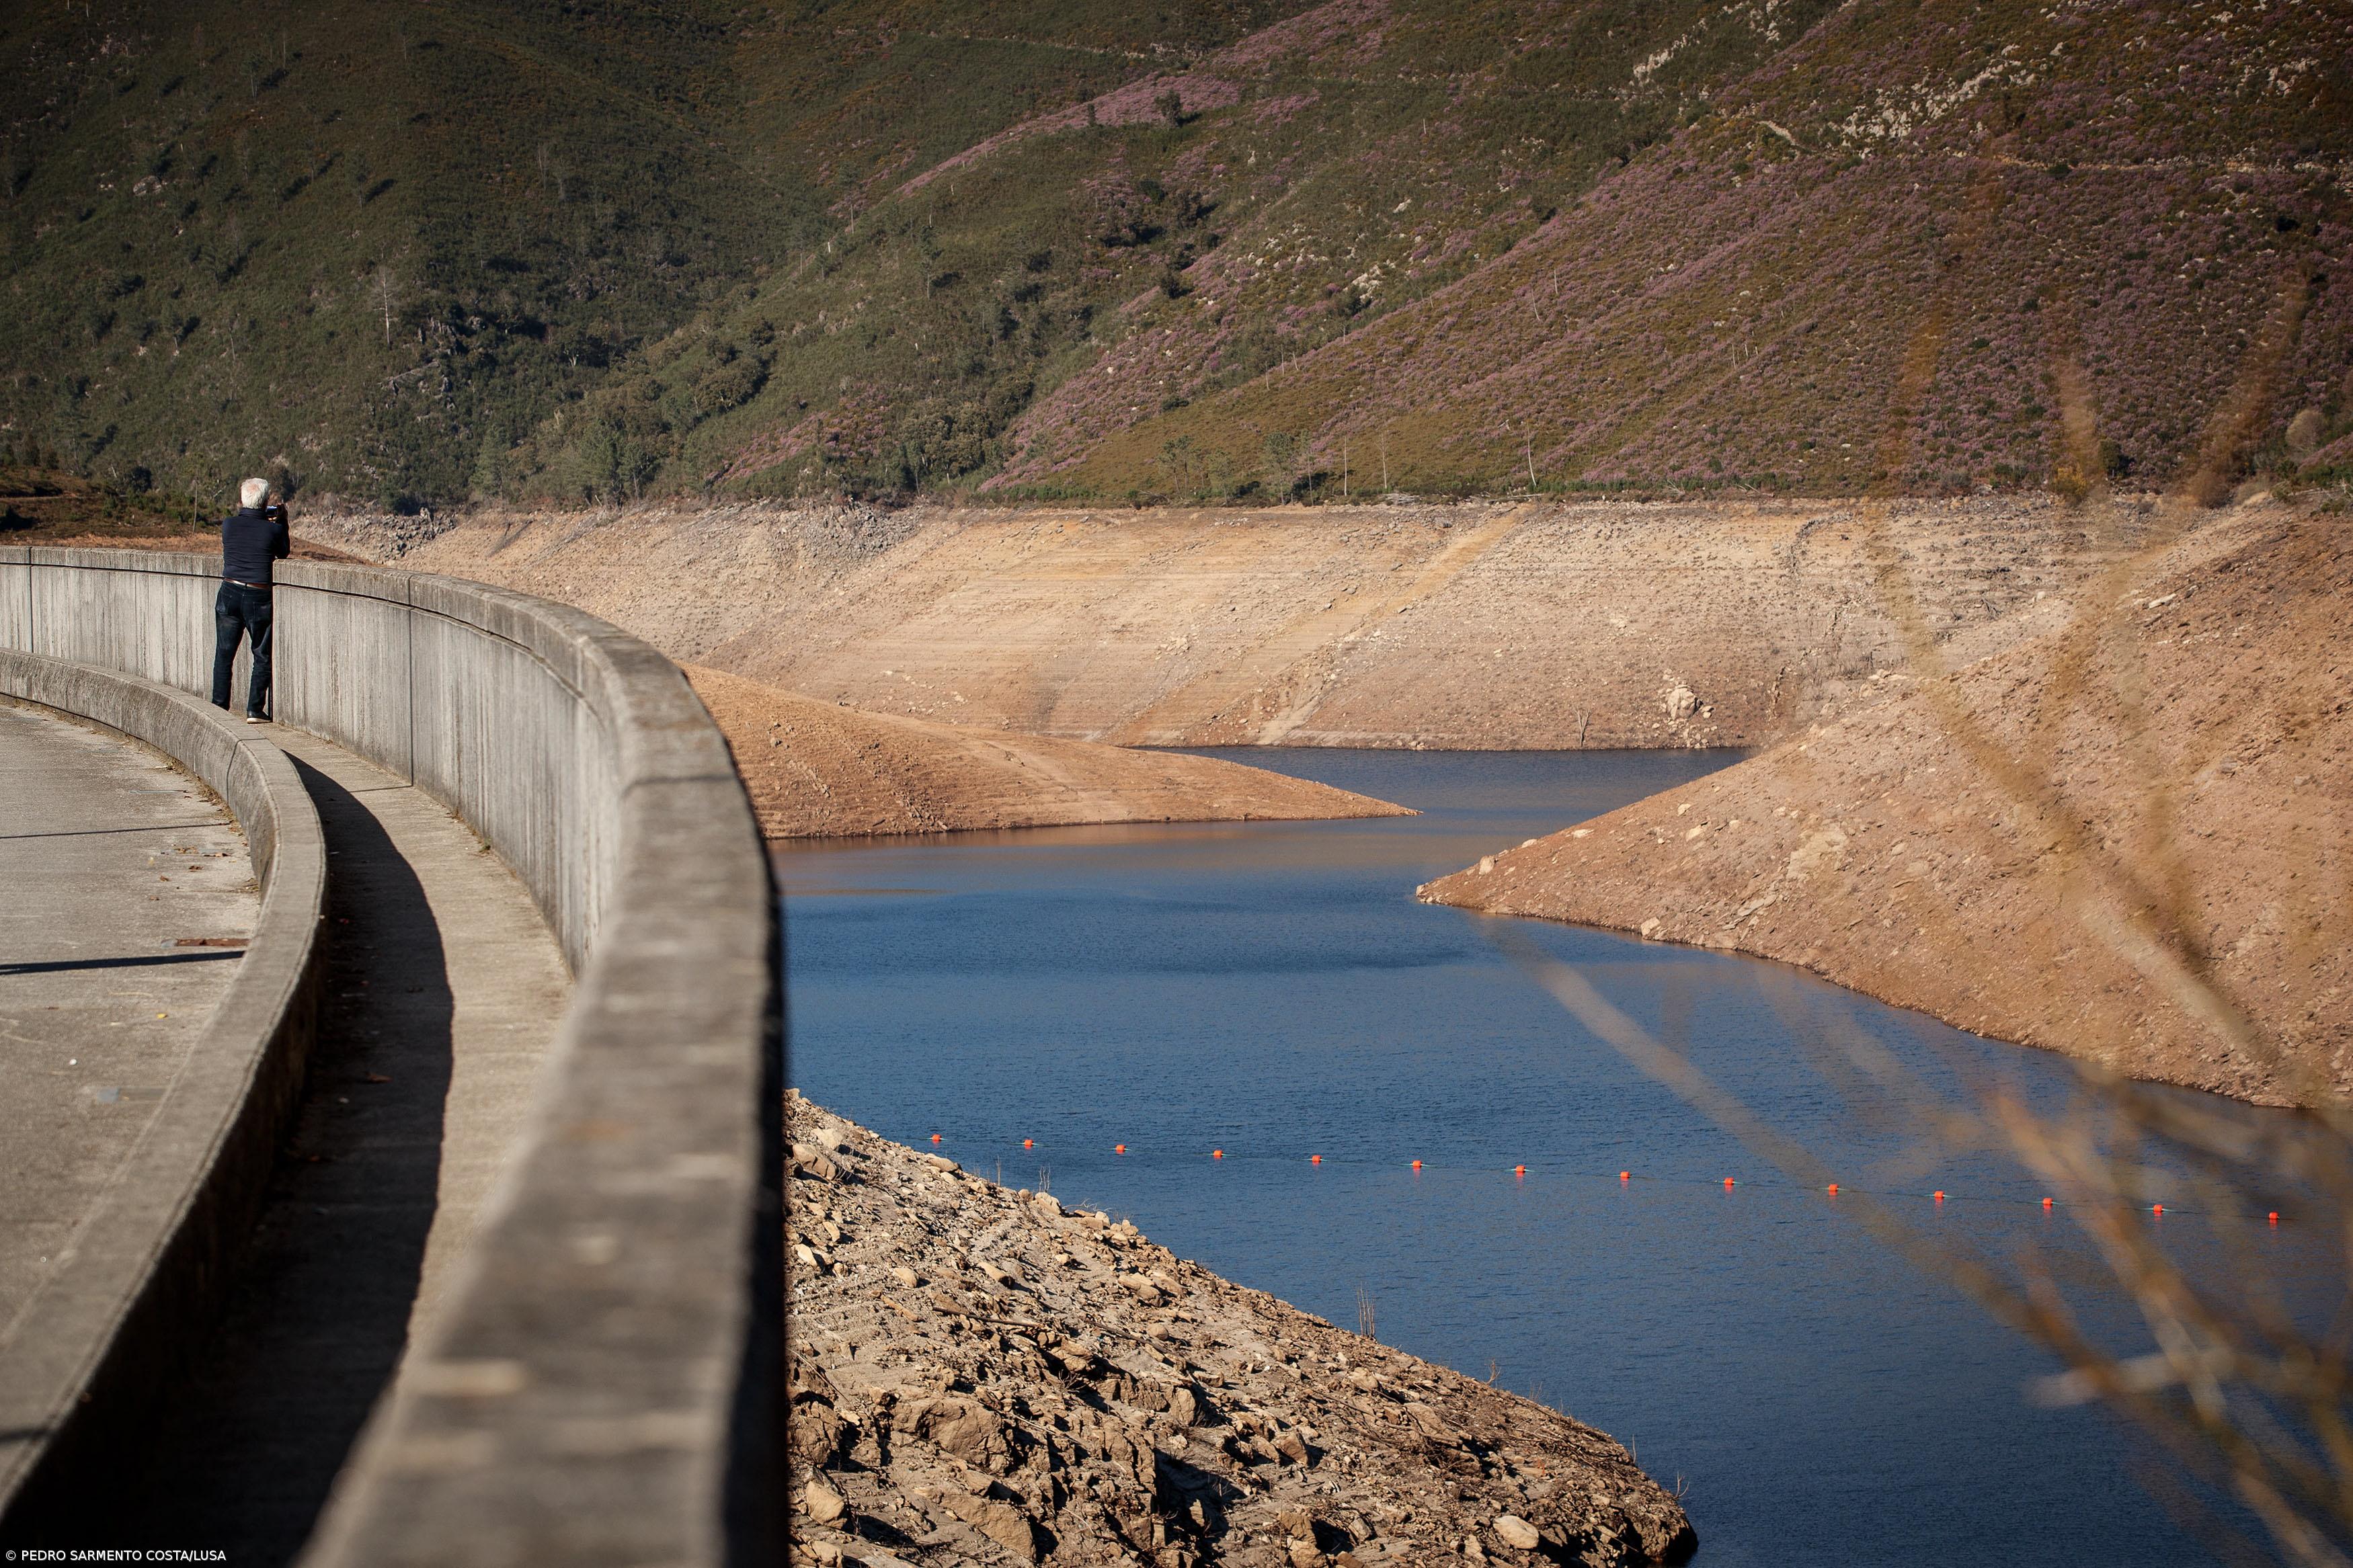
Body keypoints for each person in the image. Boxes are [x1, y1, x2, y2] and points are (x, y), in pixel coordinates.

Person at [211, 477, 289, 723]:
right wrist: (282, 522)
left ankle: (218, 706)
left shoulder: (229, 525)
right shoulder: (273, 529)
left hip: (229, 592)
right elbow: (283, 552)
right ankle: (255, 709)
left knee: (224, 654)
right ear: (266, 501)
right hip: (258, 595)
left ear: (242, 501)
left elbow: (245, 528)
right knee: (261, 654)